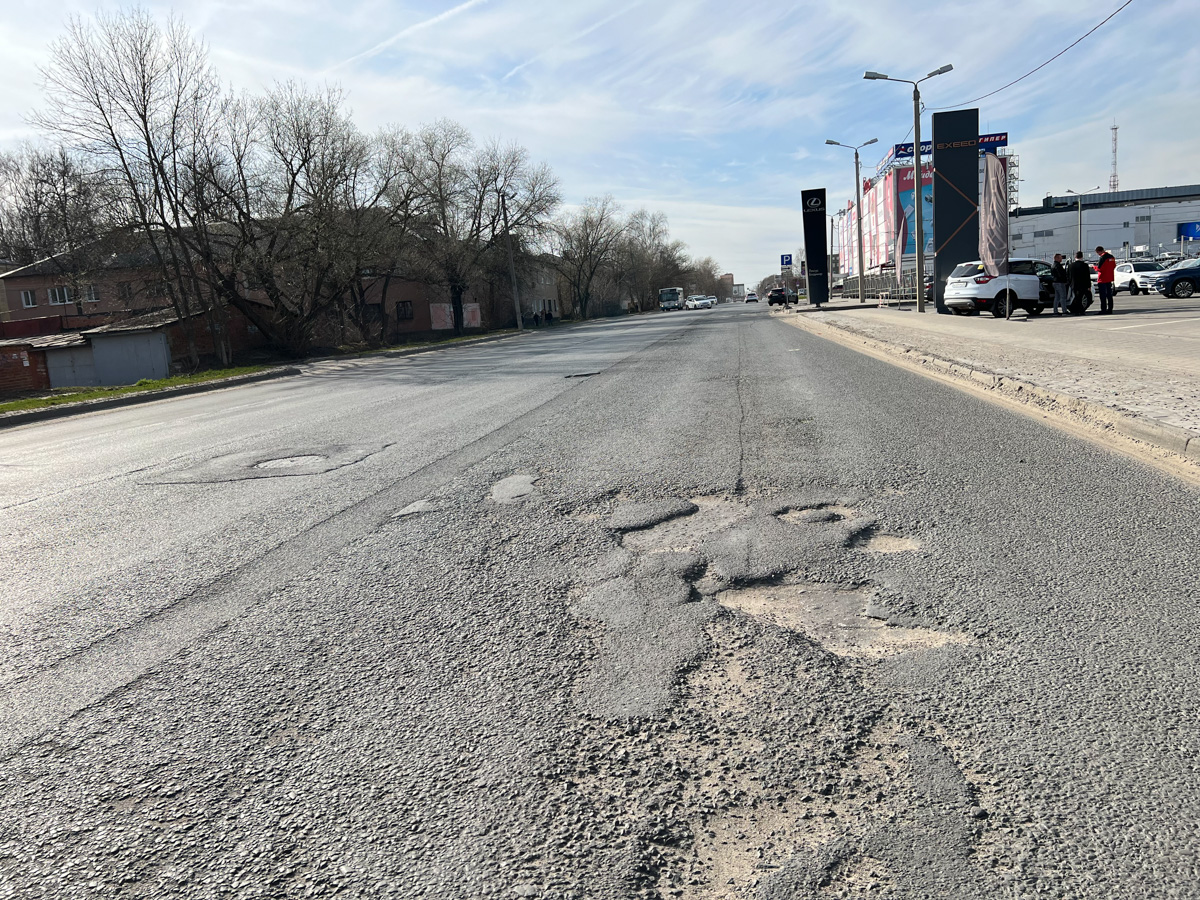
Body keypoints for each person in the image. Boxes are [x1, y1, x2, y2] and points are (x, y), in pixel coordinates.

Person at [1095, 245, 1116, 314]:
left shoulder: (1102, 258)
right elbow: (1114, 266)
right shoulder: (1111, 257)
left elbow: (1099, 269)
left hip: (1102, 279)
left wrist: (1093, 267)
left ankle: (1103, 309)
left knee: (1103, 295)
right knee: (1109, 295)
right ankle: (1110, 309)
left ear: (1099, 251)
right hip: (1109, 278)